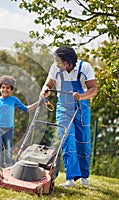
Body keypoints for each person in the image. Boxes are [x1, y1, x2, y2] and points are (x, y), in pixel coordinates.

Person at [41, 46, 98, 187]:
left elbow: (94, 89)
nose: (57, 65)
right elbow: (47, 84)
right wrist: (45, 90)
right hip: (64, 107)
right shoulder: (55, 69)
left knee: (83, 142)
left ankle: (84, 176)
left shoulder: (84, 67)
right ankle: (70, 179)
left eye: (60, 62)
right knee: (66, 139)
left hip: (81, 107)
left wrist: (81, 96)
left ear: (69, 61)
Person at [0, 75, 40, 176]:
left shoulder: (13, 100)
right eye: (3, 87)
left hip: (9, 130)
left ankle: (8, 168)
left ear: (11, 89)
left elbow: (26, 109)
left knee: (8, 149)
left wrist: (38, 102)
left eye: (7, 88)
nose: (5, 90)